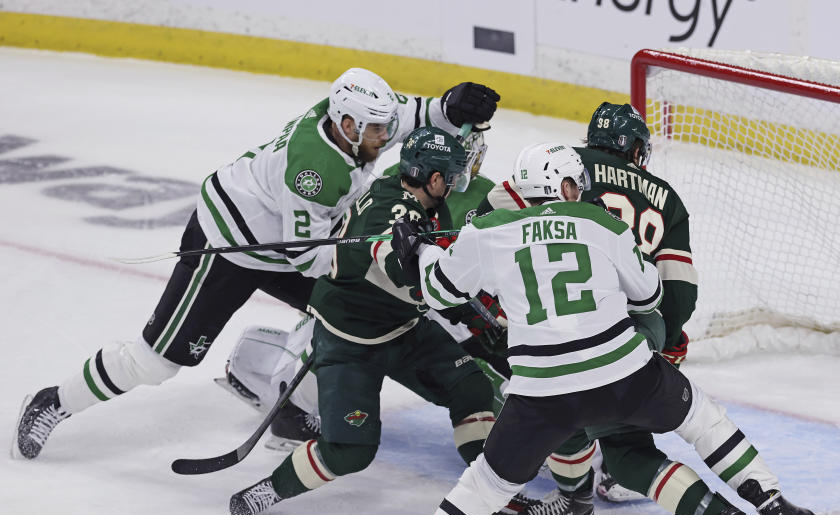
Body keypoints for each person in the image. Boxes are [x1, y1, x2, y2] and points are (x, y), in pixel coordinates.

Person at [379, 143, 821, 515]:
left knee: (486, 482)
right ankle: (773, 509)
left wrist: (420, 248)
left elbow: (440, 292)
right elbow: (649, 293)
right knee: (700, 418)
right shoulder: (601, 223)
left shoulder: (487, 231)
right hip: (623, 373)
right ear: (566, 186)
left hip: (542, 394)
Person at [15, 68, 500, 460]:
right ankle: (54, 401)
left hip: (279, 241)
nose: (386, 135)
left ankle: (295, 407)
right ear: (347, 126)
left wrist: (445, 106)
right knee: (158, 360)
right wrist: (378, 250)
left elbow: (400, 114)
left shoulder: (349, 115)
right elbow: (308, 258)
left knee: (349, 310)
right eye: (376, 130)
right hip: (231, 245)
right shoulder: (316, 170)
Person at [226, 127, 509, 515]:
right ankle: (267, 490)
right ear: (433, 178)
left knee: (472, 388)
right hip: (350, 341)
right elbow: (398, 258)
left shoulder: (414, 188)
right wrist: (414, 257)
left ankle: (492, 495)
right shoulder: (393, 210)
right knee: (350, 451)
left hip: (404, 328)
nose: (459, 183)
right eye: (453, 176)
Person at [476, 102, 699, 515]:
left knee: (554, 391)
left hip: (554, 317)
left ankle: (576, 488)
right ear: (637, 149)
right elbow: (680, 293)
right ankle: (606, 469)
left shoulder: (562, 167)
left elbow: (487, 215)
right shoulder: (666, 197)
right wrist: (667, 336)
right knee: (614, 409)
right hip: (629, 323)